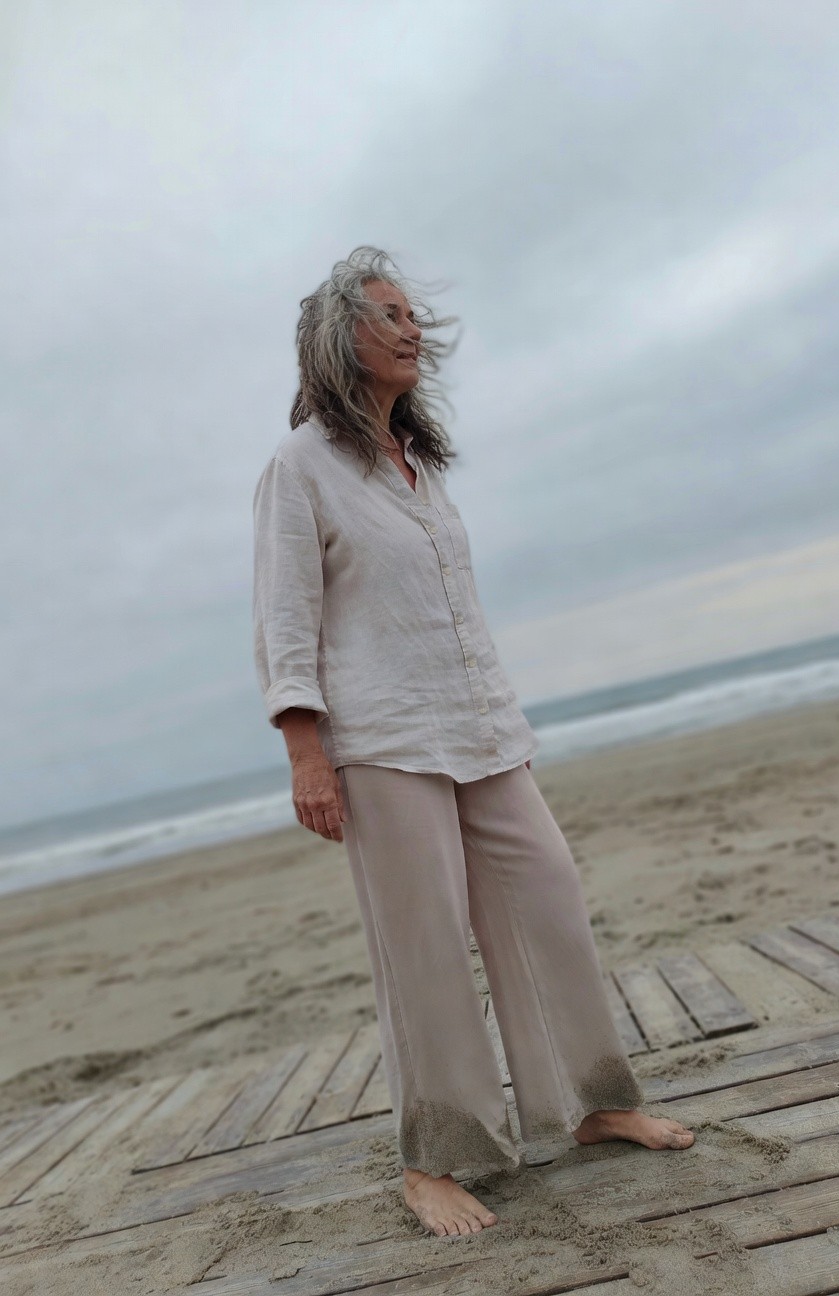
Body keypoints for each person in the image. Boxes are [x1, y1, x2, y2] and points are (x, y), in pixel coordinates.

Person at [252, 246, 695, 1239]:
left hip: (483, 729)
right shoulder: (299, 470)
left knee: (550, 903)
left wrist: (503, 719)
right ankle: (435, 1160)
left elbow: (452, 613)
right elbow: (285, 620)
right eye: (392, 314)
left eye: (416, 315)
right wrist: (305, 753)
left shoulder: (420, 465)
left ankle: (589, 1102)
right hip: (384, 743)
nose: (414, 329)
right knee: (424, 955)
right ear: (339, 339)